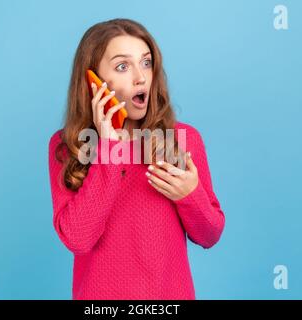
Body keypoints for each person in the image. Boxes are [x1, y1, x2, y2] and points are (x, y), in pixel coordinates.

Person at [48, 18, 225, 300]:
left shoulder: (182, 139)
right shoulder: (68, 145)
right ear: (93, 81)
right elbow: (78, 239)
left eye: (146, 62)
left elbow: (209, 235)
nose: (140, 77)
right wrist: (107, 148)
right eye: (122, 66)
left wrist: (190, 195)